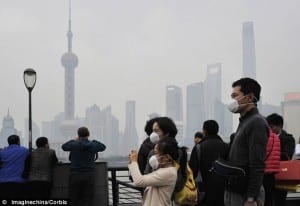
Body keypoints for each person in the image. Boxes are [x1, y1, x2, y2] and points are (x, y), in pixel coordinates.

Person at [224, 77, 269, 206]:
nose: (232, 100)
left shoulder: (256, 123)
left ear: (250, 97)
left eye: (235, 96)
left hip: (244, 194)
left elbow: (257, 164)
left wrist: (251, 198)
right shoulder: (245, 121)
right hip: (236, 189)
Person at [128, 136, 181, 206]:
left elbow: (139, 181)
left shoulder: (168, 173)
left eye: (156, 153)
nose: (154, 156)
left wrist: (134, 162)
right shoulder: (164, 170)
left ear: (166, 157)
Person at [62, 127, 106, 206]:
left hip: (75, 175)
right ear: (88, 134)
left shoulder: (74, 144)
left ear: (78, 135)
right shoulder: (93, 145)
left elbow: (64, 147)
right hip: (89, 175)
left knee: (74, 198)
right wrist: (94, 141)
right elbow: (103, 147)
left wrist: (74, 140)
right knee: (88, 198)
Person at [189, 120, 229, 206]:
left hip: (203, 191)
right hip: (223, 191)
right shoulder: (226, 146)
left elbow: (192, 170)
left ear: (204, 131)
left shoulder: (199, 147)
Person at [266, 113, 295, 206]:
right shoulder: (265, 137)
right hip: (267, 176)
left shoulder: (288, 139)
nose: (270, 130)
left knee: (280, 201)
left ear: (280, 126)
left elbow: (287, 155)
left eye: (272, 127)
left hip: (281, 174)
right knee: (267, 200)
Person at [262, 130, 281, 206]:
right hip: (271, 174)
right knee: (268, 198)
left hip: (259, 173)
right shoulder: (275, 137)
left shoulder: (259, 135)